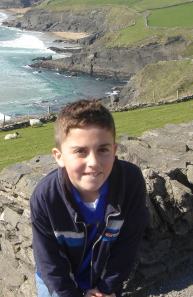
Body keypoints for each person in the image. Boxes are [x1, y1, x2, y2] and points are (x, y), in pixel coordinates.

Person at [30, 98, 149, 297]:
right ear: (59, 157)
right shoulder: (45, 196)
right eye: (80, 152)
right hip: (60, 283)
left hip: (104, 280)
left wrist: (107, 288)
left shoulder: (130, 181)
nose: (93, 162)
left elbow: (129, 241)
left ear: (115, 151)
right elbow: (48, 258)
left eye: (103, 149)